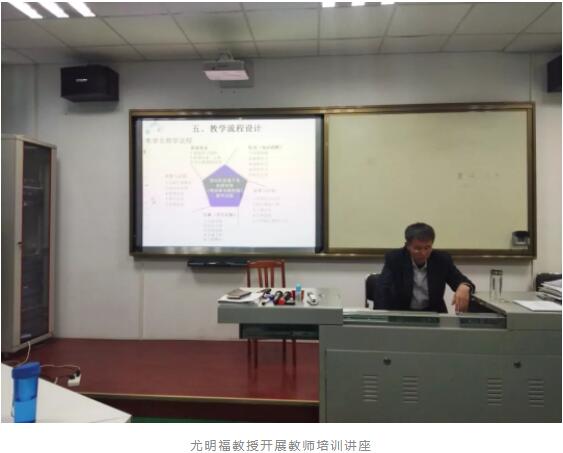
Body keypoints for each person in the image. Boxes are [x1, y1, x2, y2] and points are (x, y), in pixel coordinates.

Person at [377, 222, 475, 313]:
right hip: (403, 313)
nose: (423, 253)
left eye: (427, 248)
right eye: (417, 248)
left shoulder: (441, 260)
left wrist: (464, 286)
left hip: (433, 314)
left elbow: (462, 281)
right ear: (408, 246)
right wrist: (382, 317)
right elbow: (382, 289)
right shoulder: (395, 259)